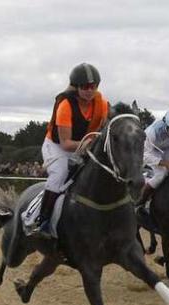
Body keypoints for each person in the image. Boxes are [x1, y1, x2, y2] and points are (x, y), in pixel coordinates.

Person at [34, 63, 109, 236]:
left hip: (84, 145)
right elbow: (66, 144)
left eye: (93, 86)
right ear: (76, 87)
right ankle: (42, 220)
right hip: (57, 146)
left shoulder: (102, 104)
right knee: (59, 174)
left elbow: (101, 130)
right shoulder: (65, 105)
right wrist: (92, 144)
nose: (89, 91)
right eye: (84, 87)